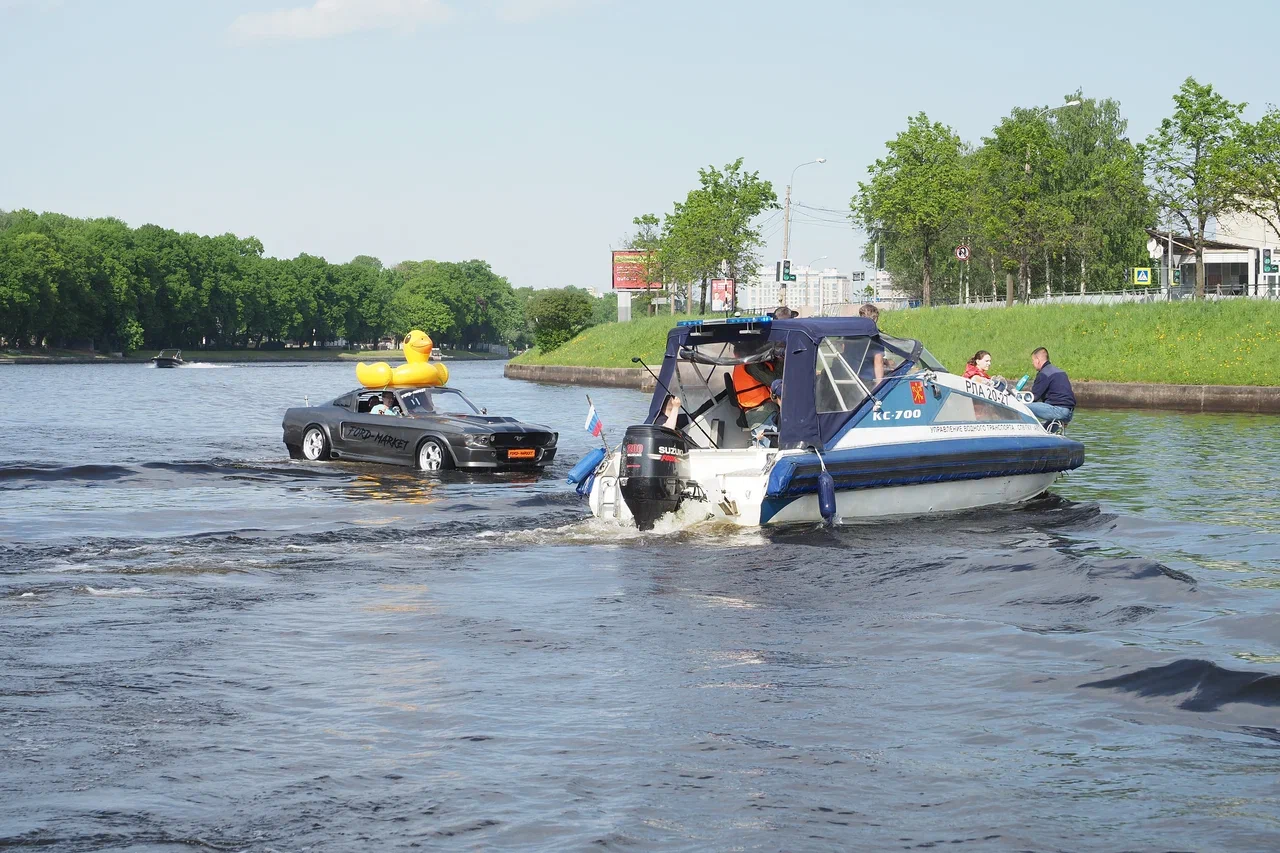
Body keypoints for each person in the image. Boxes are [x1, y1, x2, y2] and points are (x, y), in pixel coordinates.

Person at [731, 342, 780, 429]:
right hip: (763, 413)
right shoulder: (751, 366)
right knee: (774, 441)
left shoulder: (739, 367)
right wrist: (781, 360)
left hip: (756, 412)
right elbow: (775, 381)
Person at [1028, 347, 1075, 424]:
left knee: (1022, 406)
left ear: (1037, 360)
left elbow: (1033, 397)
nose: (1032, 363)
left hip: (1058, 411)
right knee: (1045, 432)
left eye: (1033, 361)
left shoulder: (1044, 374)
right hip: (1069, 413)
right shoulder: (1060, 372)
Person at [857, 303, 886, 386]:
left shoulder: (850, 335)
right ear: (875, 319)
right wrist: (879, 386)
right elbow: (878, 361)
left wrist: (886, 361)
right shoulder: (875, 337)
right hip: (866, 379)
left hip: (849, 376)